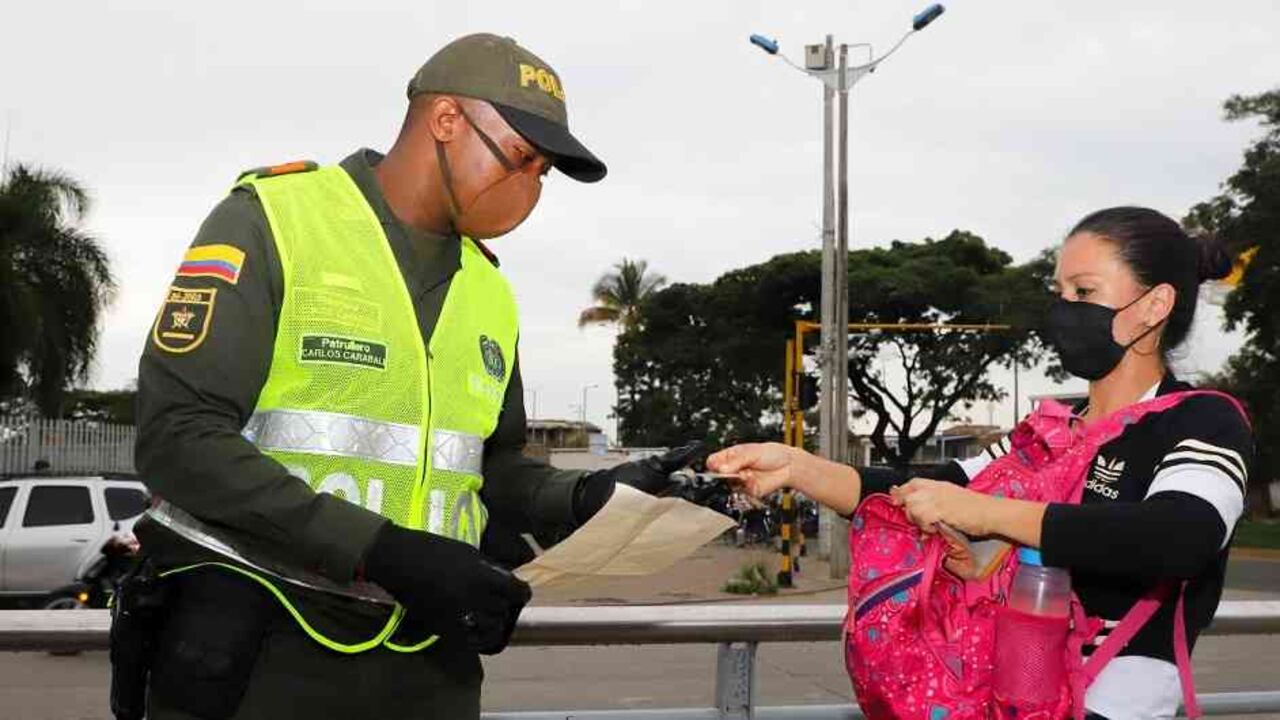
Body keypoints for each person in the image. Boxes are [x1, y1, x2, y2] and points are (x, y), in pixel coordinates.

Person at [129, 33, 703, 720]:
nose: (530, 187)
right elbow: (178, 440)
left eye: (542, 172)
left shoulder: (488, 292)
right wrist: (380, 551)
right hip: (262, 651)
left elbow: (488, 471)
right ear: (446, 120)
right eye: (521, 157)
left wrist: (586, 496)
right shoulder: (276, 221)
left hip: (428, 668)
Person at [709, 206, 1253, 720]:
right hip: (1006, 698)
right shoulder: (1047, 434)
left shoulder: (1202, 422)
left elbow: (1184, 535)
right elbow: (925, 487)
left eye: (1084, 292)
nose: (1064, 309)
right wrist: (798, 468)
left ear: (1155, 306)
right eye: (1059, 292)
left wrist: (989, 514)